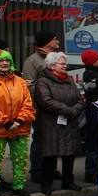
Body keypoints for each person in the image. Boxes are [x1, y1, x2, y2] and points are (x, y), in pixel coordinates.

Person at [0, 48, 35, 196]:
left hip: (20, 128)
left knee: (20, 158)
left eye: (7, 60)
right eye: (0, 61)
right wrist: (6, 122)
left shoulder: (19, 81)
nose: (4, 63)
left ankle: (19, 186)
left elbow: (28, 103)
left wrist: (18, 121)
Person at [32, 51, 84, 196]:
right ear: (52, 65)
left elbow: (79, 99)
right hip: (51, 124)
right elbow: (45, 101)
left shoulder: (68, 79)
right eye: (62, 63)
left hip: (69, 122)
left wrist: (75, 110)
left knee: (69, 154)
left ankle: (68, 181)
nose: (65, 66)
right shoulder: (43, 81)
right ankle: (46, 184)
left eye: (65, 63)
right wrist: (69, 110)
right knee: (50, 155)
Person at [21, 31, 62, 183]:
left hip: (55, 108)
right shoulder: (33, 61)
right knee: (40, 139)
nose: (57, 40)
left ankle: (50, 169)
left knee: (53, 140)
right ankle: (37, 171)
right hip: (40, 108)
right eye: (54, 38)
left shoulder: (56, 58)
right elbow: (29, 86)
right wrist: (35, 107)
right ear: (46, 42)